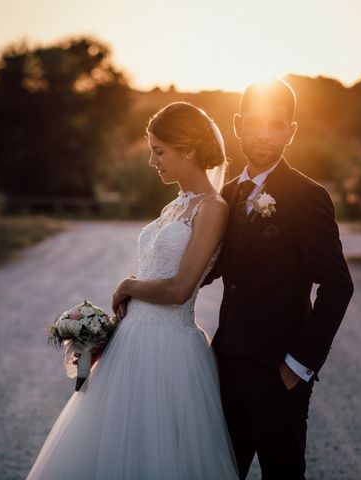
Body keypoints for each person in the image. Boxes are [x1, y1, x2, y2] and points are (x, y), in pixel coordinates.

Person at [26, 102, 239, 479]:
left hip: (170, 348)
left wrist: (128, 285)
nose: (152, 161)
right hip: (130, 341)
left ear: (187, 149)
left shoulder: (213, 208)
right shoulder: (174, 206)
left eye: (159, 151)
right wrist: (105, 332)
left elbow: (179, 288)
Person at [204, 80, 354, 479]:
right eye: (254, 123)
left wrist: (298, 364)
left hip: (278, 371)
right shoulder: (227, 195)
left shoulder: (308, 196)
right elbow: (210, 267)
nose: (263, 135)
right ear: (237, 126)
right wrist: (151, 288)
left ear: (291, 130)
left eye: (275, 125)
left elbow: (338, 285)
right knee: (220, 471)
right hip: (227, 365)